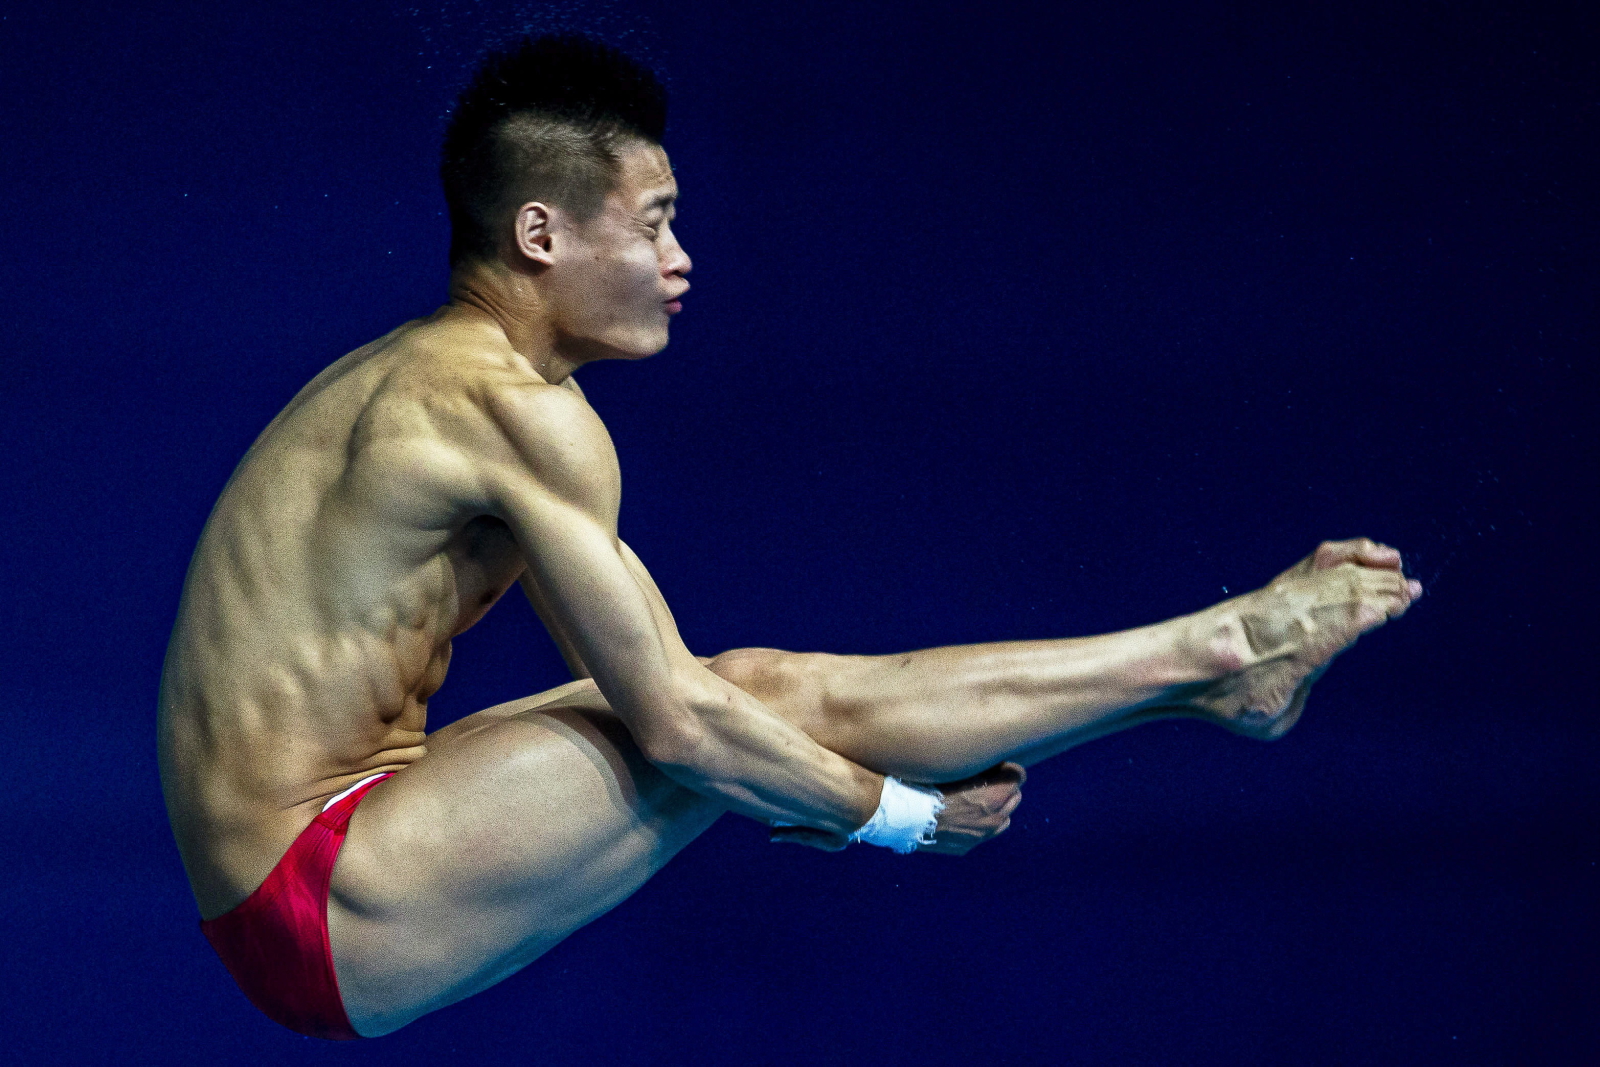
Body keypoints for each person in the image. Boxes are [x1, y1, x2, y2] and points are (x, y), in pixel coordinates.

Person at [157, 34, 1421, 1041]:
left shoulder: (435, 382)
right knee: (756, 699)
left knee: (763, 689)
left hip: (310, 868)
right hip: (319, 899)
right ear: (539, 234)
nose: (680, 257)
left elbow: (675, 699)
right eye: (652, 220)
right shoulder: (504, 406)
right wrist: (898, 820)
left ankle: (1211, 681)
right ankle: (1222, 644)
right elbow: (684, 728)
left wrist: (817, 778)